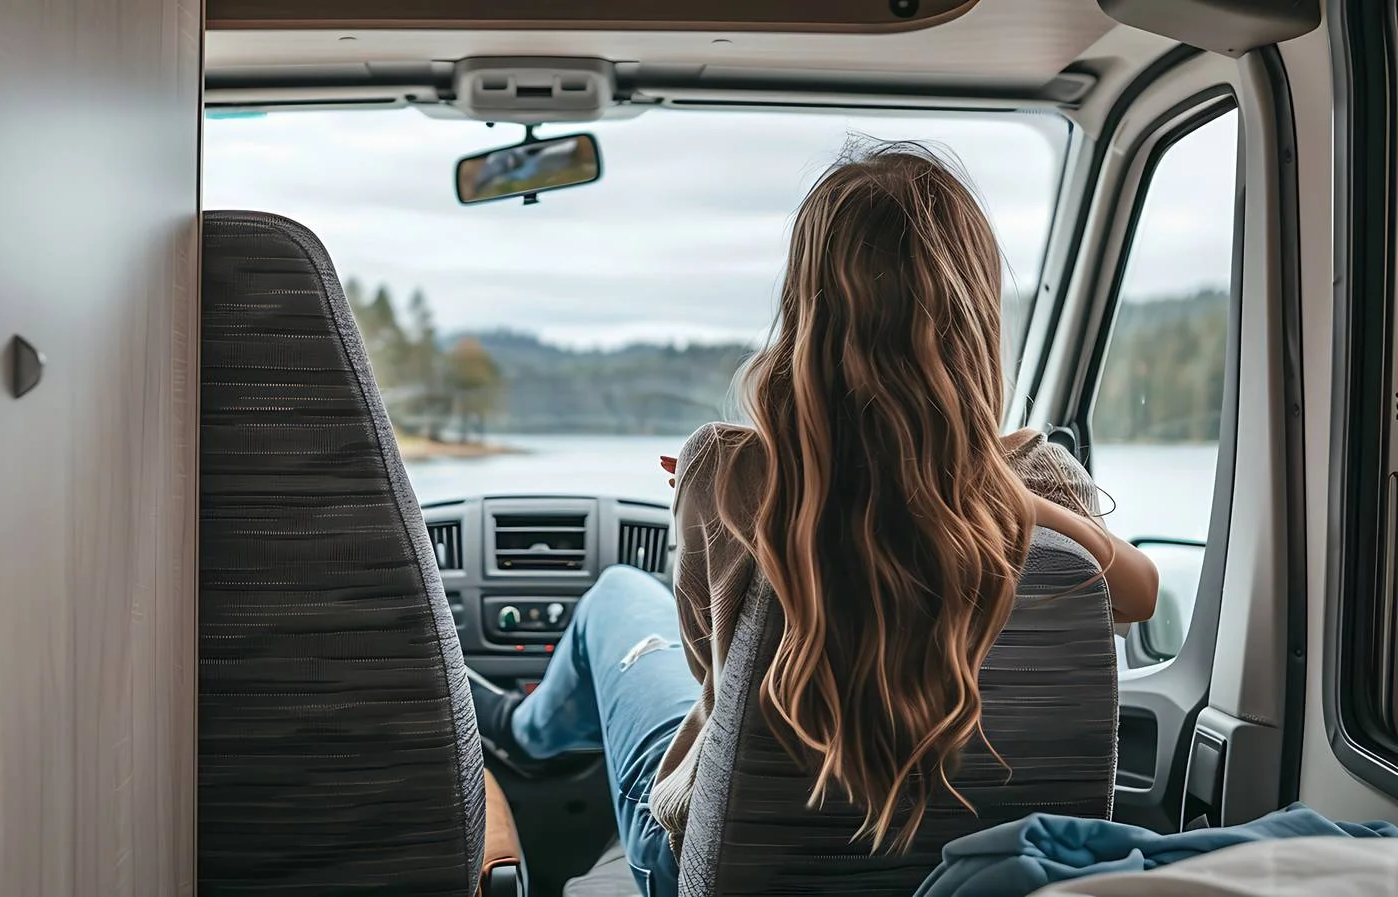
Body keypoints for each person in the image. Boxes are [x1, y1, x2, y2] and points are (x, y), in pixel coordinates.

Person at [467, 145, 1159, 897]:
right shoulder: (1043, 480)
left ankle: (520, 733)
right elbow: (1135, 592)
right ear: (977, 315)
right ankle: (522, 729)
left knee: (617, 599)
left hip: (715, 866)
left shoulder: (734, 470)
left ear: (806, 312)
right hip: (996, 873)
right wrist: (982, 483)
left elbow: (714, 675)